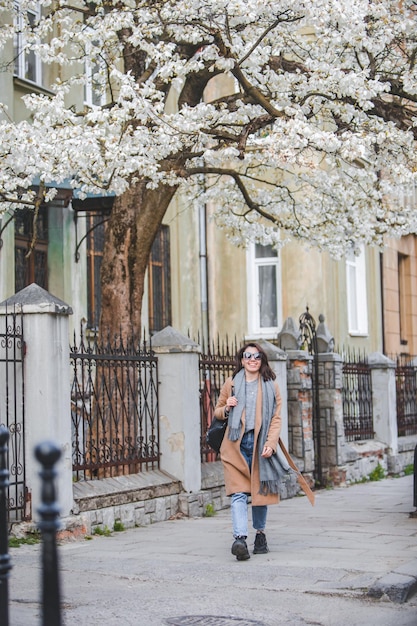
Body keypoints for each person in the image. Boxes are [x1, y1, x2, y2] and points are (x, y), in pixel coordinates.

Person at [213, 342, 283, 561]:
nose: (252, 359)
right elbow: (216, 412)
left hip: (260, 443)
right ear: (241, 360)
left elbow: (276, 418)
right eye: (248, 356)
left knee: (259, 493)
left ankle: (260, 535)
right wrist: (227, 408)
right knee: (239, 492)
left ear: (262, 360)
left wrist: (271, 443)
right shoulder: (231, 383)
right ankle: (240, 539)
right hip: (235, 444)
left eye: (257, 356)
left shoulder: (271, 385)